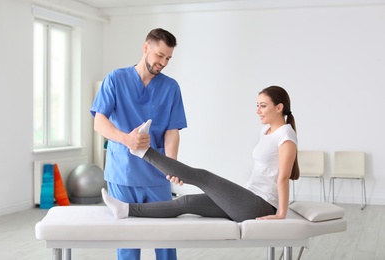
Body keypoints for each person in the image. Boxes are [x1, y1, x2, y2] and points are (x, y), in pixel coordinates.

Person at [102, 86, 299, 223]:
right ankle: (125, 209)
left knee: (203, 177)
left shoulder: (286, 135)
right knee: (186, 202)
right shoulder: (267, 132)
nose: (258, 110)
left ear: (279, 107)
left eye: (263, 105)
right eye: (257, 105)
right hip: (249, 198)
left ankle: (144, 152)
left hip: (260, 205)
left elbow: (283, 177)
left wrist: (281, 213)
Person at [90, 28, 187, 260]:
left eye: (168, 58)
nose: (163, 62)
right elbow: (99, 122)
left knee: (165, 240)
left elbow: (172, 131)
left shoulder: (170, 88)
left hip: (156, 175)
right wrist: (127, 139)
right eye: (160, 55)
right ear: (146, 48)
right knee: (127, 242)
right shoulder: (116, 79)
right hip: (123, 173)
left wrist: (171, 165)